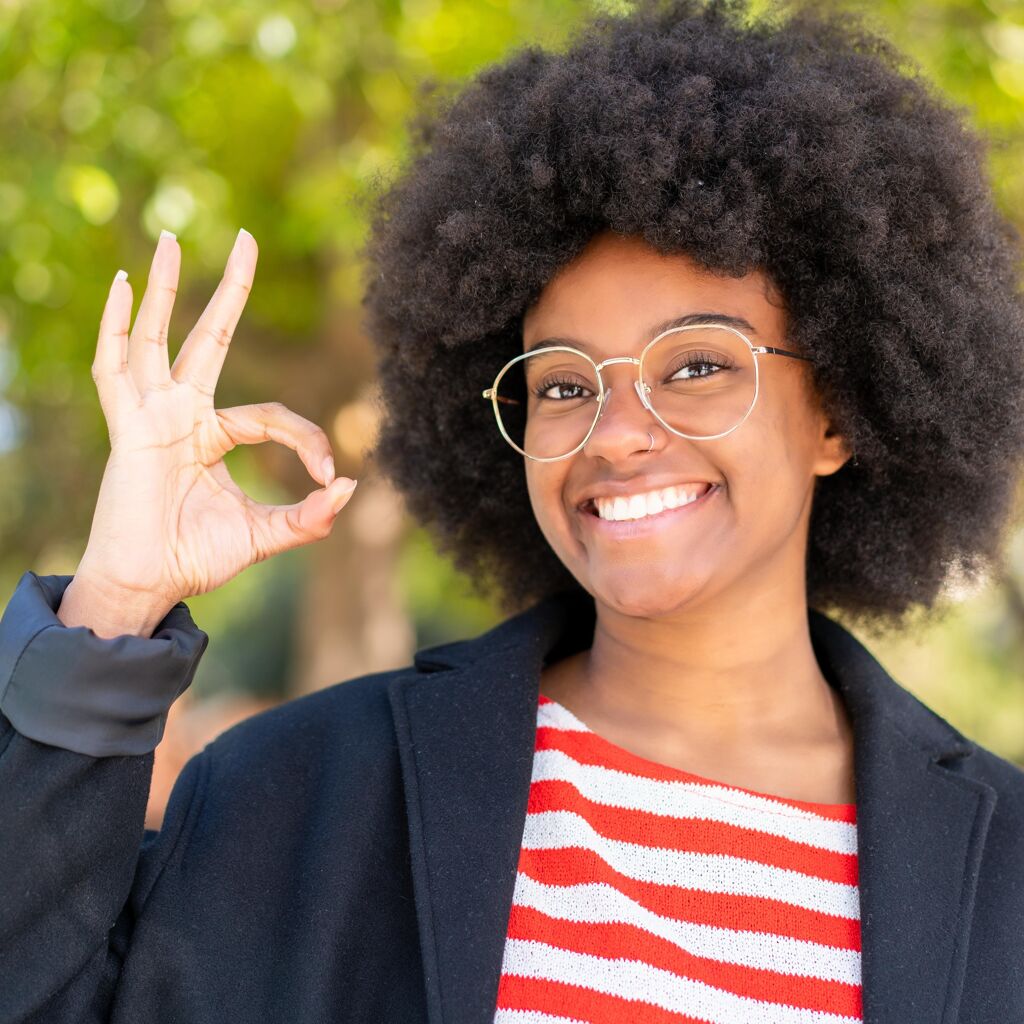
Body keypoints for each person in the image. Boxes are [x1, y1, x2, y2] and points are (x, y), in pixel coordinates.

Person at [2, 0, 1023, 1021]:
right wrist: (114, 604)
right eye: (564, 383)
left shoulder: (999, 876)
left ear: (839, 414)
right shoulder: (315, 791)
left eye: (701, 364)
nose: (616, 432)